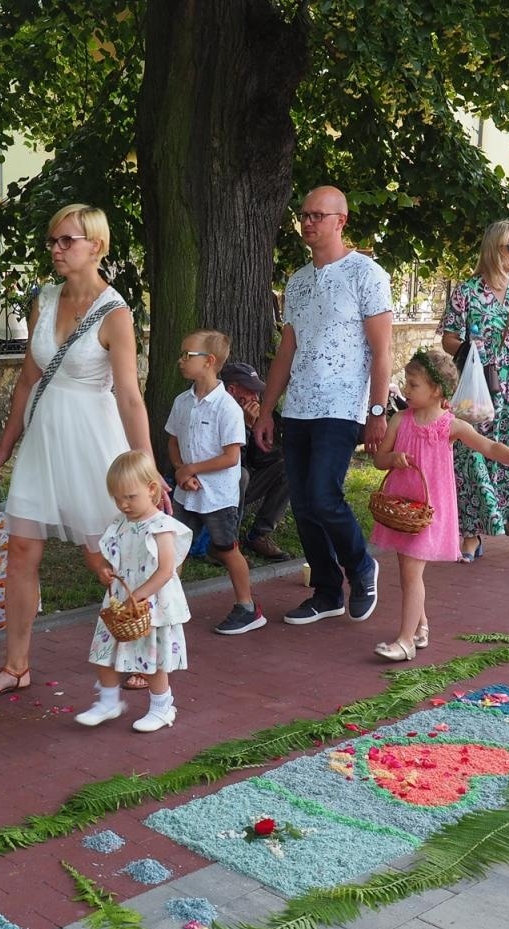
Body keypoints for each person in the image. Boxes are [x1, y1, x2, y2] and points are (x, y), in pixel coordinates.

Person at [0, 204, 153, 703]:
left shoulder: (115, 313)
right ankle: (16, 666)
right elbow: (28, 380)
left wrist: (147, 466)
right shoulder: (43, 301)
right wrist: (5, 446)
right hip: (44, 442)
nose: (56, 248)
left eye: (66, 240)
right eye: (53, 240)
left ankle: (141, 654)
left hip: (93, 443)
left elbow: (130, 396)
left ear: (95, 245)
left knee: (106, 558)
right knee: (21, 551)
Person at [254, 186, 392, 625]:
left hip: (341, 404)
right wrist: (265, 409)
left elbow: (382, 350)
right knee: (304, 502)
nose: (308, 222)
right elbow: (287, 350)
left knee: (324, 495)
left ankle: (361, 566)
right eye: (304, 214)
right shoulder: (296, 281)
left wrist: (377, 411)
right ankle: (327, 591)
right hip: (298, 406)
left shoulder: (365, 275)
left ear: (341, 221)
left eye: (318, 215)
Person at [369, 352, 509, 660]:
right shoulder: (399, 420)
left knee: (410, 571)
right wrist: (392, 459)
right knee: (409, 571)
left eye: (413, 384)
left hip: (429, 511)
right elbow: (380, 459)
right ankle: (420, 628)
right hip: (401, 509)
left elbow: (487, 446)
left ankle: (406, 641)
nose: (406, 390)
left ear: (436, 390)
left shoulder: (451, 426)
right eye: (406, 382)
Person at [440, 220, 509, 560]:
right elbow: (448, 339)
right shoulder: (467, 291)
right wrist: (471, 349)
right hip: (478, 382)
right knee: (474, 452)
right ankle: (473, 530)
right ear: (493, 248)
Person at [77, 451, 191, 732]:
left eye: (130, 497)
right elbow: (115, 556)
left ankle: (162, 707)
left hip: (150, 603)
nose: (123, 504)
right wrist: (105, 568)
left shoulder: (161, 527)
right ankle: (108, 701)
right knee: (103, 650)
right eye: (117, 498)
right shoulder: (121, 522)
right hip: (121, 601)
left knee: (151, 658)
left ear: (151, 489)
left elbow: (166, 570)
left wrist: (138, 595)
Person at [165, 329, 262, 635]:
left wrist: (190, 469)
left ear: (209, 361)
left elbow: (231, 457)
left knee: (226, 548)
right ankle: (167, 606)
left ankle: (247, 607)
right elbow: (173, 440)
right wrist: (181, 470)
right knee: (174, 547)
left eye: (187, 355)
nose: (180, 360)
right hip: (186, 493)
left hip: (218, 496)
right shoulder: (182, 402)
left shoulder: (227, 408)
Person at [219, 360, 291, 561]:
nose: (256, 398)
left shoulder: (253, 413)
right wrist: (246, 428)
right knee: (240, 476)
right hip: (215, 486)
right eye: (250, 392)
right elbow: (232, 466)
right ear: (232, 390)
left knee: (288, 466)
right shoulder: (217, 410)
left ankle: (258, 535)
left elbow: (262, 461)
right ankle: (226, 544)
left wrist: (258, 431)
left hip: (244, 484)